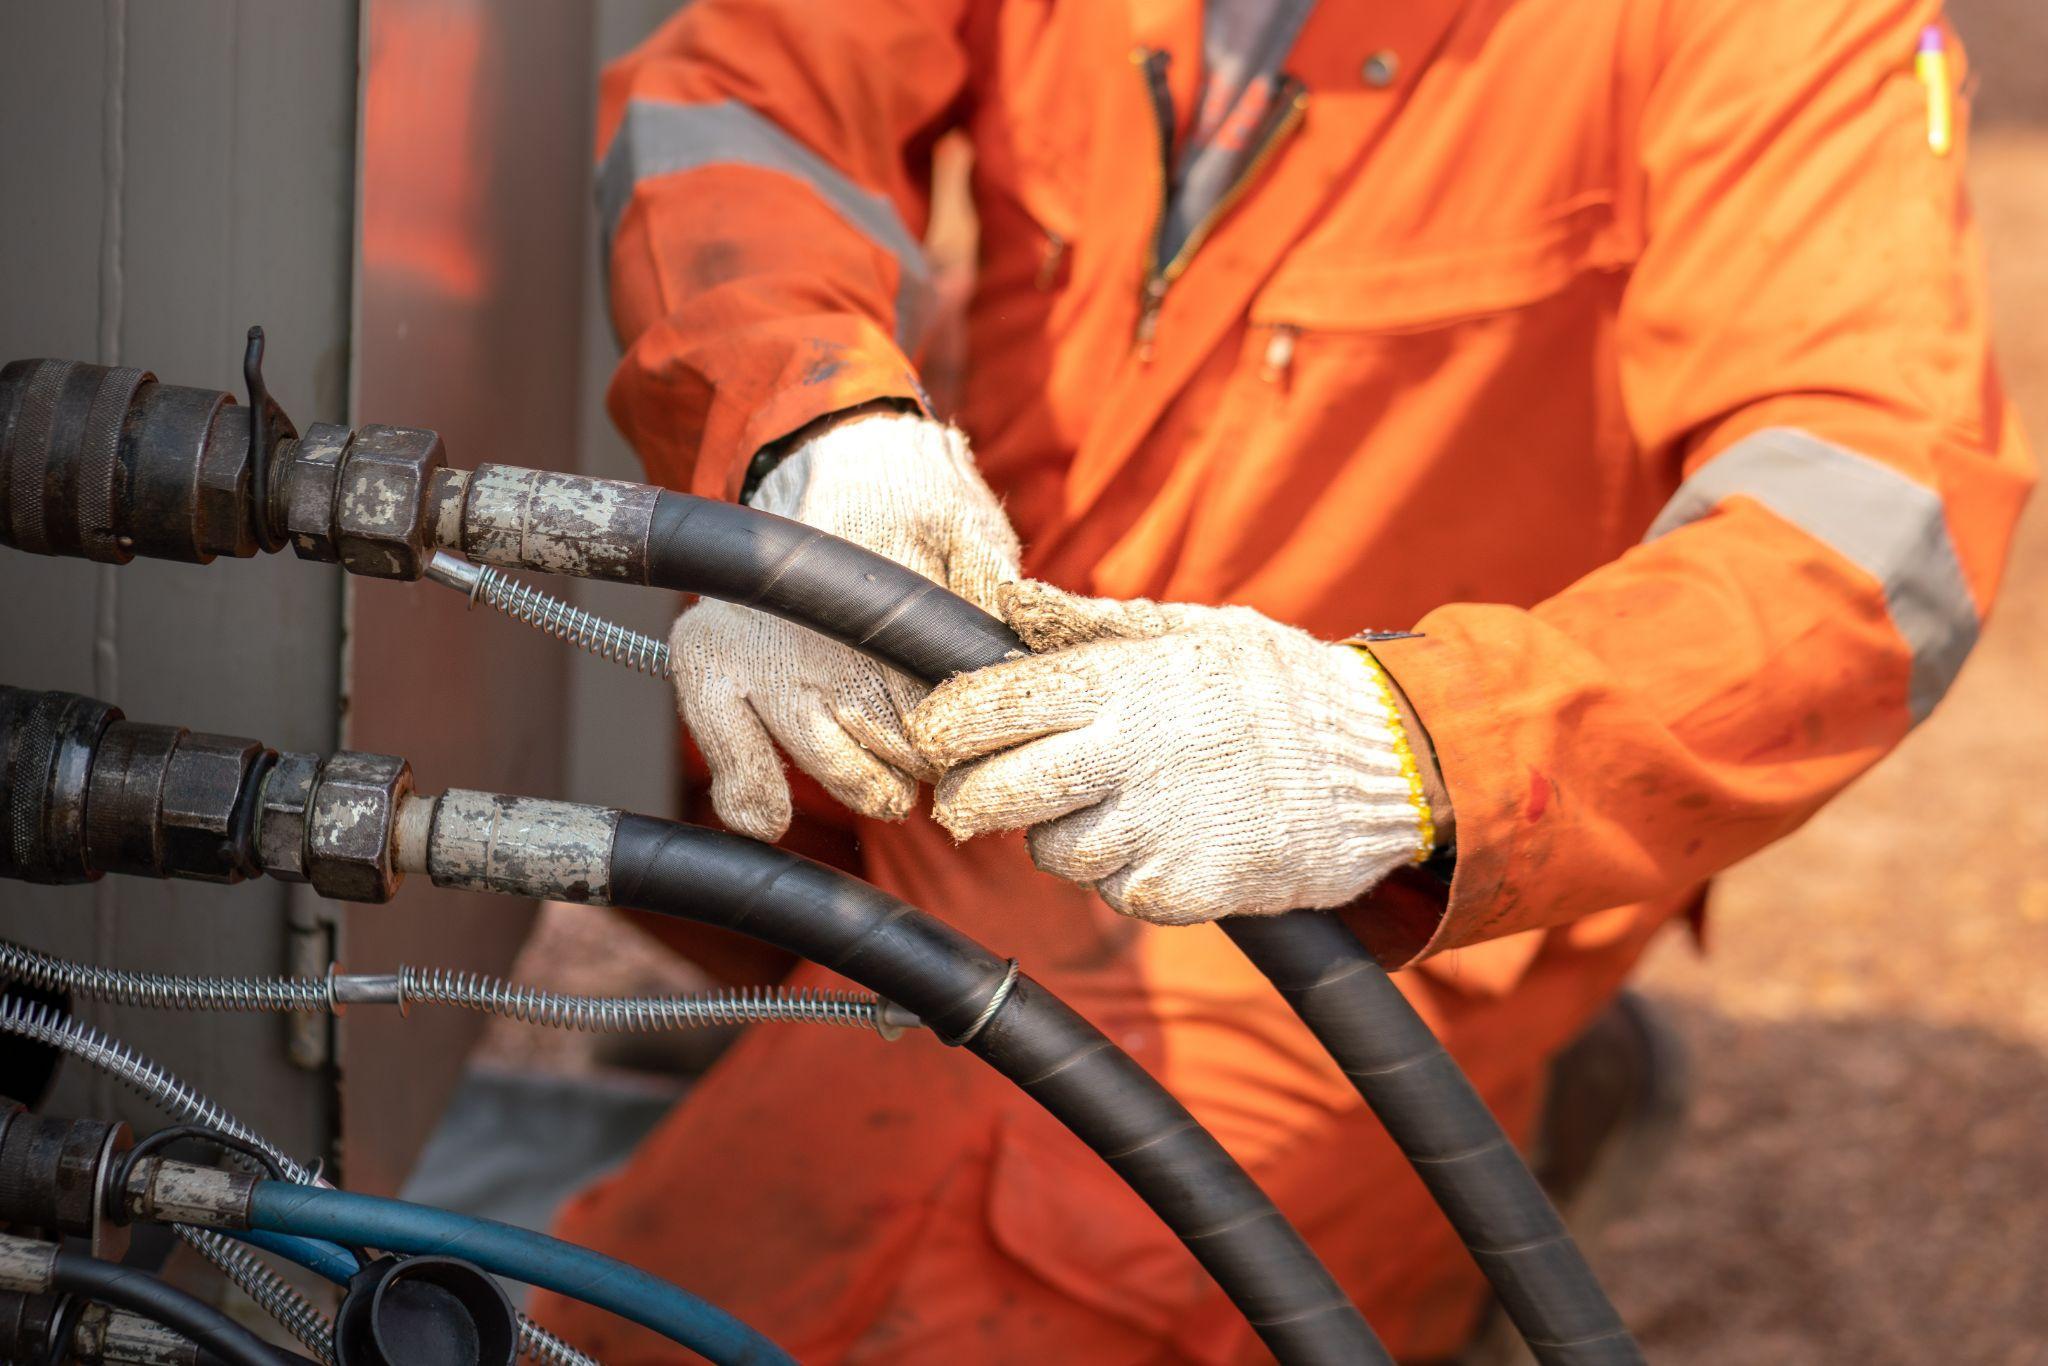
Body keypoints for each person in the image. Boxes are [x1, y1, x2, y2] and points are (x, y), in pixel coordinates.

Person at [534, 1, 2034, 1359]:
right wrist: (811, 427)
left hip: (1326, 841)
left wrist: (1399, 748)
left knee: (898, 1292)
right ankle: (885, 1012)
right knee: (563, 656)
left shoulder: (1765, 32)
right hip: (997, 662)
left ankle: (1434, 1159)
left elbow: (1869, 530)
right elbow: (745, 86)